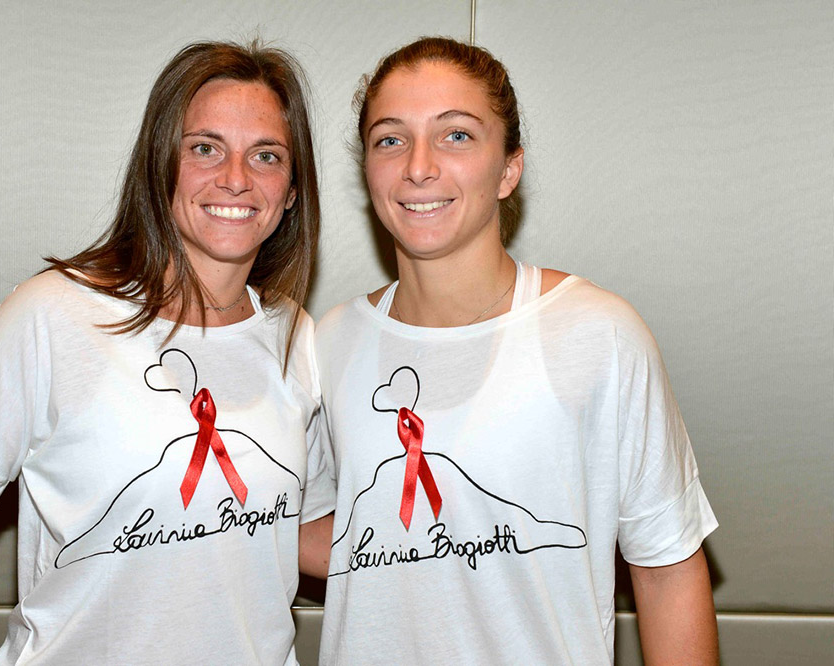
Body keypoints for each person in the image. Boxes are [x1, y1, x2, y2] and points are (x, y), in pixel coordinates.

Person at [0, 40, 330, 665]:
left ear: (291, 192)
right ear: (160, 166)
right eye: (204, 148)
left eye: (266, 156)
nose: (236, 178)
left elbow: (296, 528)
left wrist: (458, 539)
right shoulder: (51, 316)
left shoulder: (297, 337)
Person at [305, 37, 719, 664]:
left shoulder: (598, 334)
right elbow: (331, 532)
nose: (418, 165)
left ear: (508, 169)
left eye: (456, 135)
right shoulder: (328, 342)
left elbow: (667, 571)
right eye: (390, 139)